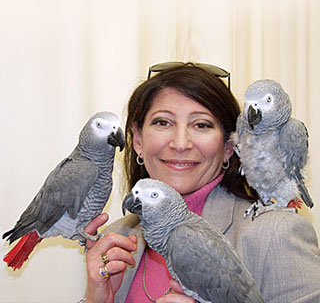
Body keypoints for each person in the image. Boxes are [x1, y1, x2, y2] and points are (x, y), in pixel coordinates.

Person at [82, 63, 320, 303]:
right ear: (138, 140)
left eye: (201, 125)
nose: (180, 143)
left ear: (228, 147)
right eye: (163, 122)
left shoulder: (276, 233)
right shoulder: (116, 239)